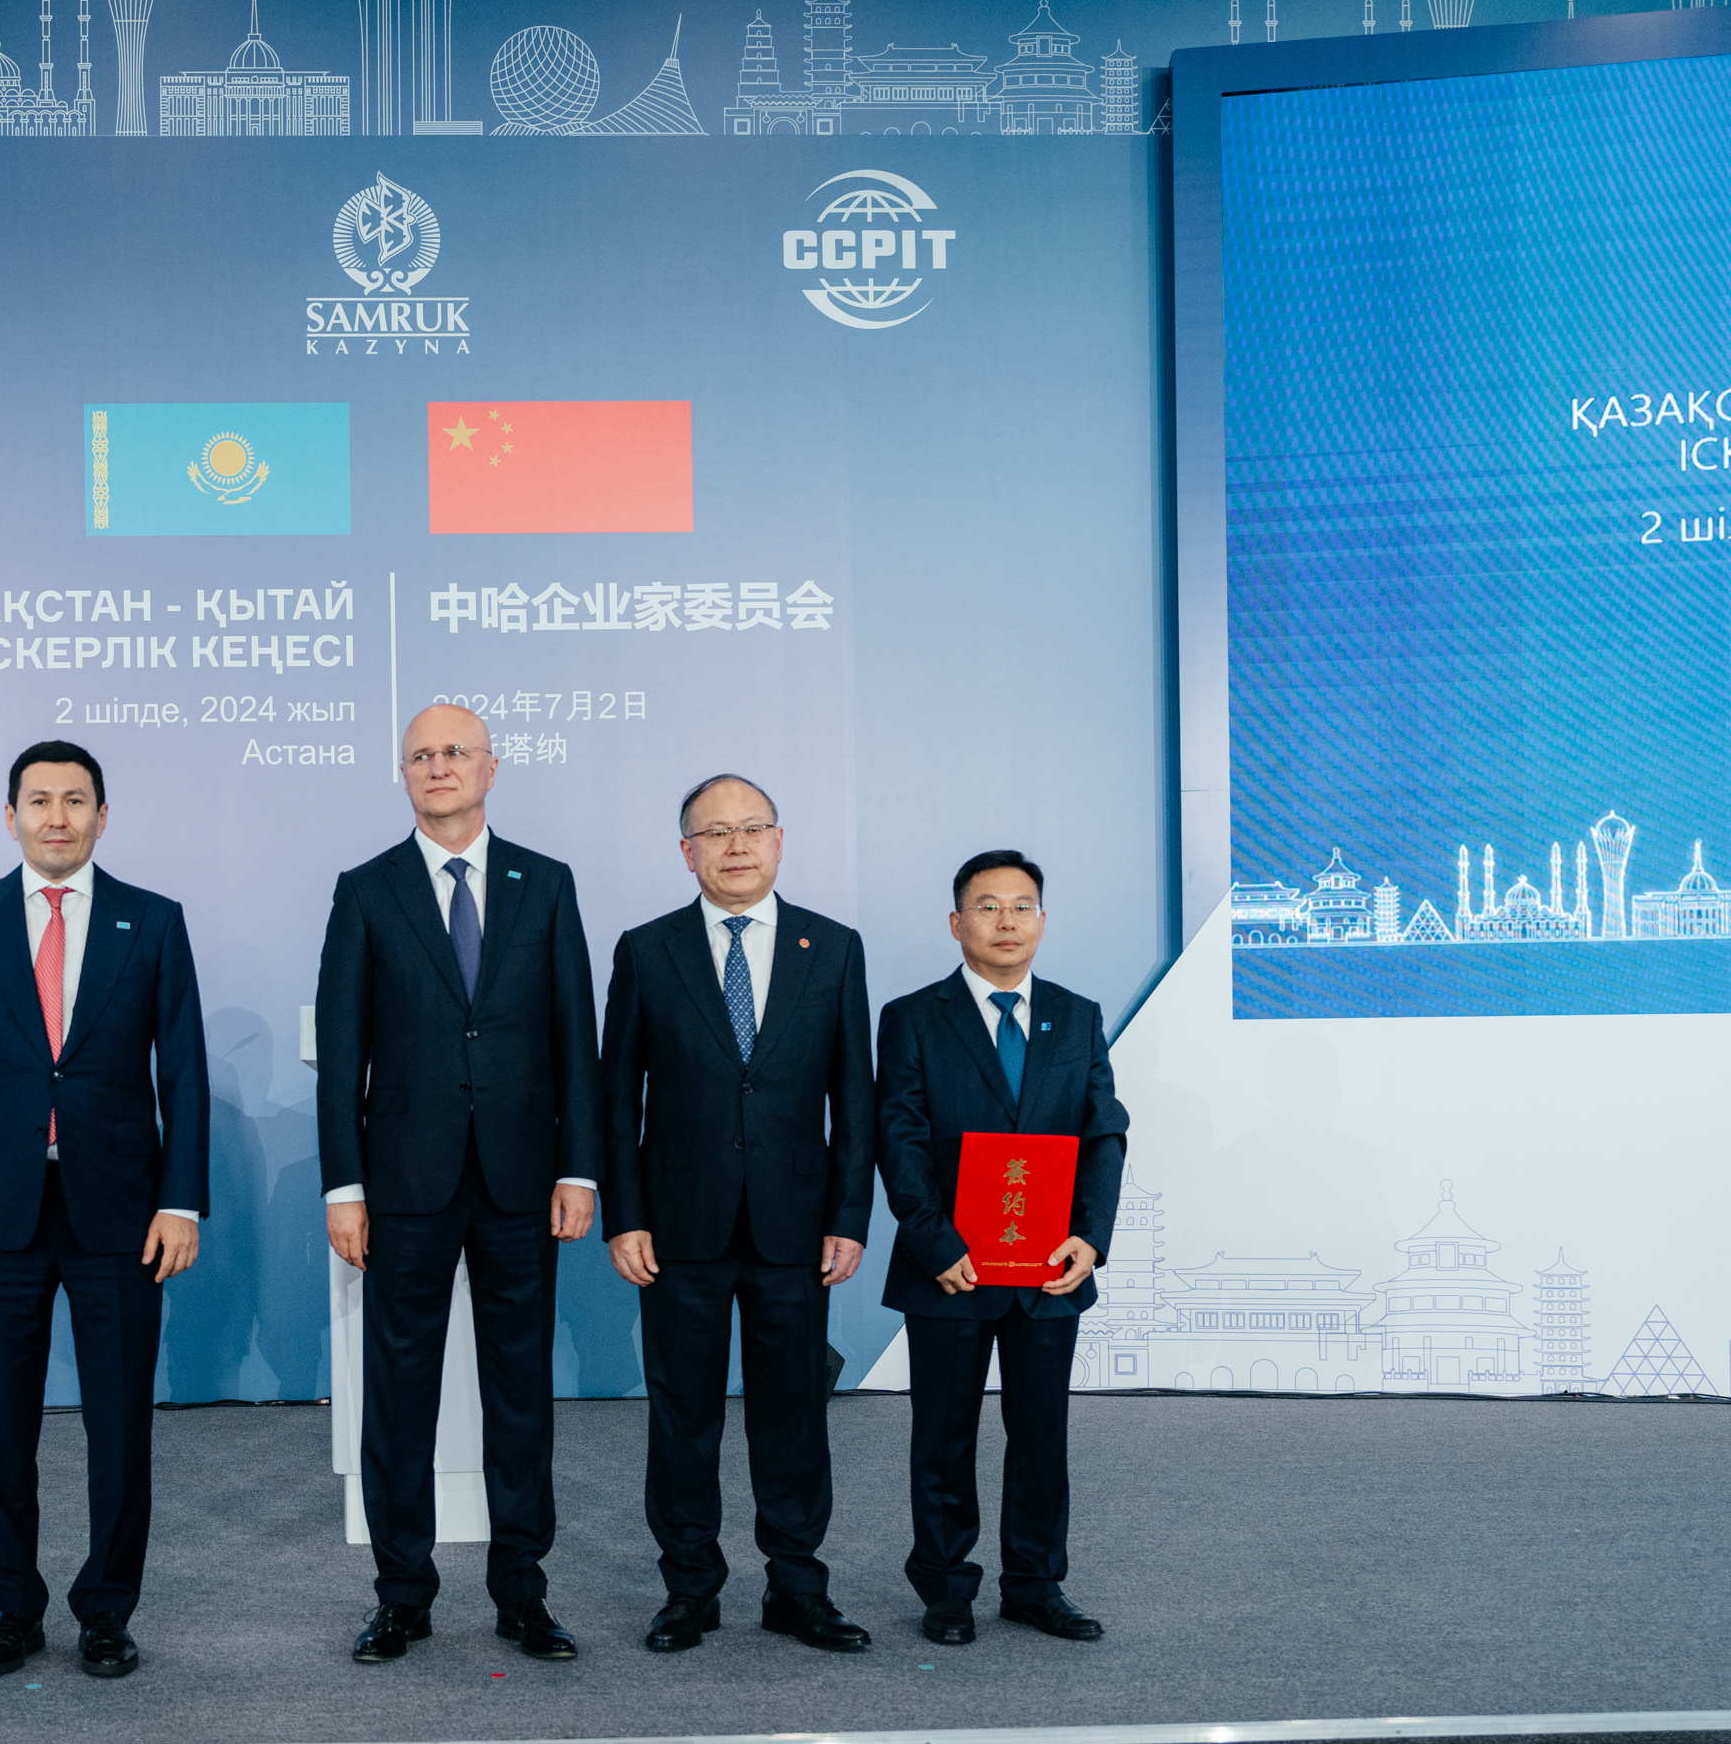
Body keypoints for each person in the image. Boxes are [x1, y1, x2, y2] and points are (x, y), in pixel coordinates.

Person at [0, 740, 209, 1681]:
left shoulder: (151, 921)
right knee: (0, 1424)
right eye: (38, 800)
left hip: (120, 1211)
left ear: (102, 817)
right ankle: (11, 1610)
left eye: (75, 800)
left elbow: (184, 1073)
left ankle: (107, 1612)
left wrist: (181, 1201)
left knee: (119, 1425)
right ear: (10, 817)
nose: (56, 817)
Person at [315, 704, 600, 1664]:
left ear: (491, 767)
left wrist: (578, 1167)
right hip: (403, 1183)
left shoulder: (546, 883)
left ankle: (523, 1593)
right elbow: (343, 1052)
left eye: (455, 752)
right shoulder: (366, 890)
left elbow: (576, 1038)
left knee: (521, 1394)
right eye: (421, 755)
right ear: (404, 774)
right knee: (399, 1397)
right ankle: (402, 1594)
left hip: (524, 1180)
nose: (439, 767)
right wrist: (344, 1188)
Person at [600, 774, 875, 1655]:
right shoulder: (647, 950)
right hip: (678, 1224)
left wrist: (850, 1215)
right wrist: (624, 1215)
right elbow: (616, 1100)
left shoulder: (833, 948)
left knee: (793, 1412)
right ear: (687, 853)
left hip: (797, 1222)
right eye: (715, 833)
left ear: (780, 841)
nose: (737, 845)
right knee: (683, 1414)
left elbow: (855, 1098)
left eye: (753, 828)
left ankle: (798, 1587)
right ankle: (690, 1589)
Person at [873, 849, 1127, 1648]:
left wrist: (1091, 1237)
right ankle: (946, 1587)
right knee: (942, 1437)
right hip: (949, 1268)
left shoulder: (1076, 1015)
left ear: (1042, 921)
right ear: (957, 923)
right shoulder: (914, 1017)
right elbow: (899, 1136)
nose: (1006, 921)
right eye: (987, 906)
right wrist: (933, 1239)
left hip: (1049, 1266)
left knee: (1042, 1434)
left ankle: (1035, 1585)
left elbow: (1104, 1132)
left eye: (1022, 906)